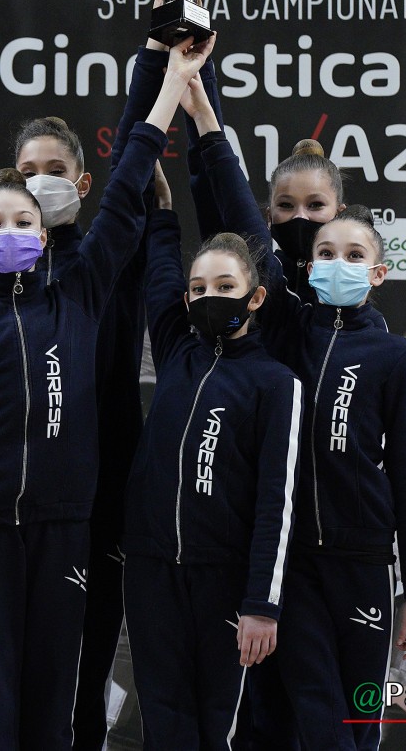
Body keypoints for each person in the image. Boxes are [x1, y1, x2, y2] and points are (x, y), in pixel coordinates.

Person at [0, 34, 212, 751]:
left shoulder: (81, 287)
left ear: (46, 232)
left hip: (73, 524)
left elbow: (129, 171)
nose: (13, 229)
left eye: (24, 220)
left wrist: (168, 72)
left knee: (59, 713)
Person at [122, 168, 302, 751]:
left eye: (225, 286)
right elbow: (160, 272)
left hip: (225, 584)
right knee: (163, 725)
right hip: (150, 573)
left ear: (255, 296)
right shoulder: (176, 348)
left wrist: (262, 605)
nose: (208, 297)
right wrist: (162, 210)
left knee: (215, 731)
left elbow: (277, 504)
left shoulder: (275, 384)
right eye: (198, 289)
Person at [255, 207, 406, 750]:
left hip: (365, 565)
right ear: (309, 268)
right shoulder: (289, 337)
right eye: (327, 254)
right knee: (318, 705)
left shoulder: (394, 356)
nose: (339, 264)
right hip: (297, 564)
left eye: (355, 256)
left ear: (377, 273)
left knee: (360, 718)